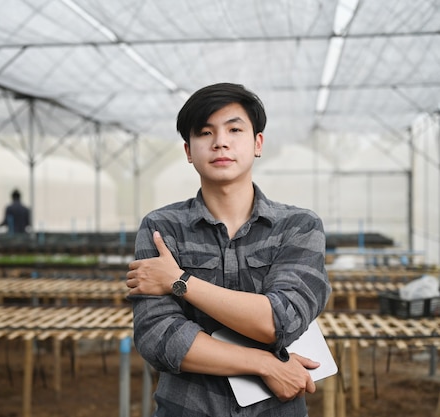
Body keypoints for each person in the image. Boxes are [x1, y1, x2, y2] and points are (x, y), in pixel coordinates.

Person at [125, 83, 331, 416]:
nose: (220, 141)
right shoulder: (162, 228)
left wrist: (179, 281)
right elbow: (160, 338)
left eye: (235, 129)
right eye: (205, 133)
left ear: (257, 143)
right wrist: (265, 364)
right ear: (189, 150)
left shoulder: (298, 227)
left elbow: (280, 320)